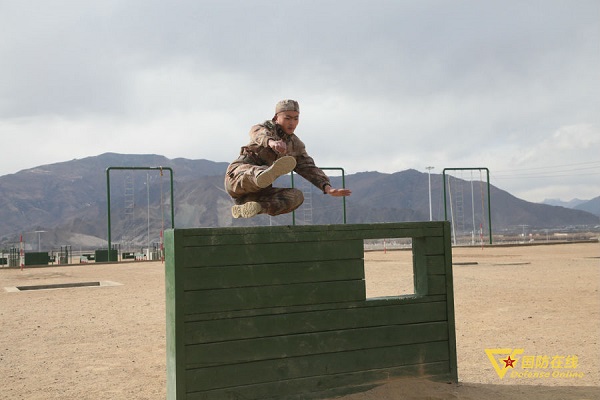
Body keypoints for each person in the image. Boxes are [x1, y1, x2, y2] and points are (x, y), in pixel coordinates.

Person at [224, 99, 351, 218]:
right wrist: (271, 142)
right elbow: (257, 132)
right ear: (276, 118)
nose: (292, 123)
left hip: (256, 194)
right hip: (238, 178)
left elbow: (309, 168)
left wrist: (327, 188)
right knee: (258, 171)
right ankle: (262, 175)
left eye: (296, 119)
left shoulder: (295, 145)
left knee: (297, 197)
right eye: (287, 118)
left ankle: (255, 207)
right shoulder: (266, 128)